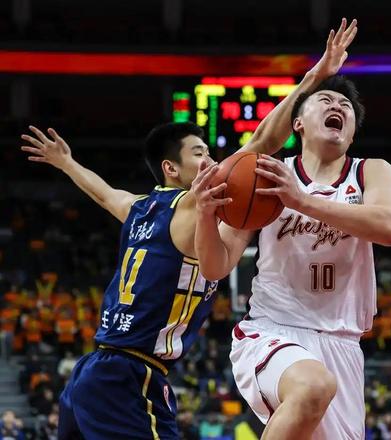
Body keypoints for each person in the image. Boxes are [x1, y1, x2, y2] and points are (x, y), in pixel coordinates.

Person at [19, 18, 357, 439]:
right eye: (200, 153)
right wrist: (315, 77)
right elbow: (263, 143)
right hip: (131, 377)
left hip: (94, 371)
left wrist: (67, 163)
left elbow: (105, 194)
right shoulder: (190, 201)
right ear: (171, 169)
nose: (212, 161)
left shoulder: (140, 208)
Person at [192, 23, 391, 440]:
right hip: (273, 328)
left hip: (342, 341)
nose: (337, 105)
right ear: (299, 124)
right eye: (325, 100)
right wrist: (204, 215)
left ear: (352, 132)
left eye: (345, 106)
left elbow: (389, 226)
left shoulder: (370, 172)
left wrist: (302, 201)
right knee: (312, 386)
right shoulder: (264, 176)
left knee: (319, 389)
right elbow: (216, 267)